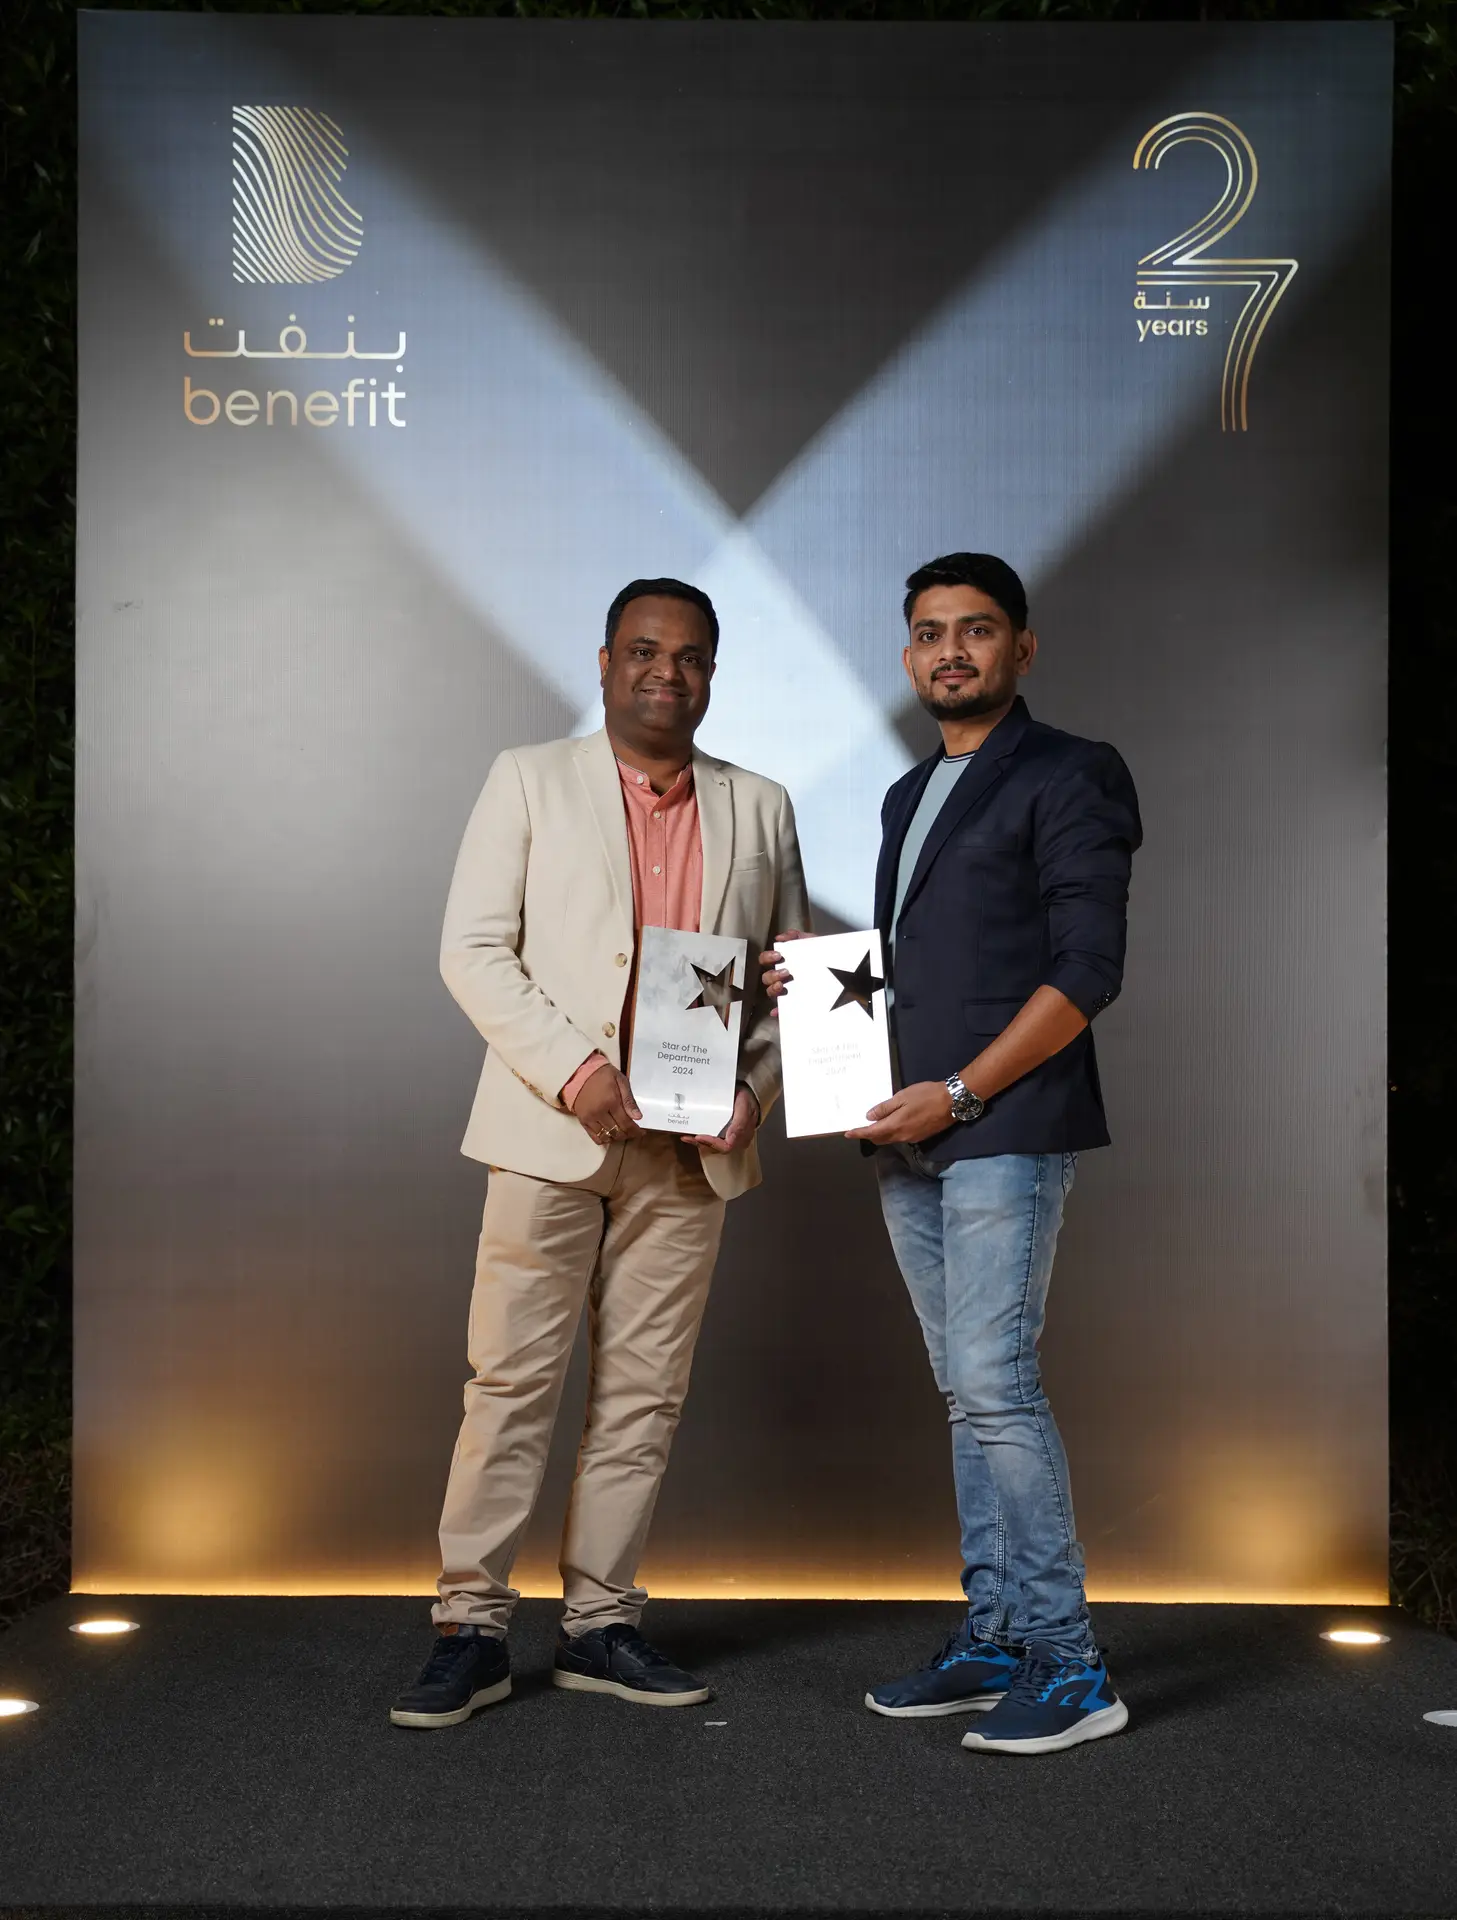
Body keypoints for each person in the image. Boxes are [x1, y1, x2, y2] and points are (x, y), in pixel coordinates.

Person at [392, 578, 809, 1729]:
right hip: (551, 1131)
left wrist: (755, 1091)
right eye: (643, 651)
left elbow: (791, 978)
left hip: (689, 1155)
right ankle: (470, 1628)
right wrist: (575, 1072)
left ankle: (598, 1626)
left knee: (643, 1395)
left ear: (712, 673)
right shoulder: (528, 779)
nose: (665, 673)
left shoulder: (760, 805)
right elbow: (473, 950)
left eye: (689, 656)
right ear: (604, 661)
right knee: (510, 1384)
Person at [764, 552, 1140, 1755]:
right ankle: (996, 1636)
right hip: (906, 1132)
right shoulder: (905, 794)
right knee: (965, 1392)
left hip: (1001, 1126)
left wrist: (962, 1094)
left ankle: (1071, 1666)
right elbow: (917, 971)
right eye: (928, 633)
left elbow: (1087, 972)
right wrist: (817, 993)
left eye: (975, 630)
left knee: (992, 1384)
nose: (950, 652)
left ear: (1019, 647)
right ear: (907, 655)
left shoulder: (1071, 771)